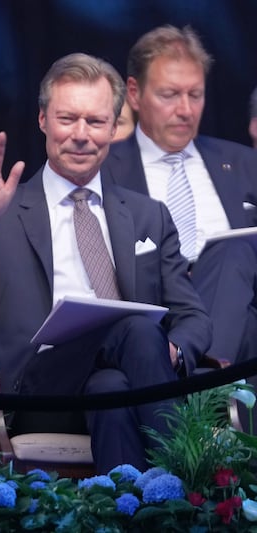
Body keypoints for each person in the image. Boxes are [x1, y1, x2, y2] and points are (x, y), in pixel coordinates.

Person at [0, 53, 211, 473]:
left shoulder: (148, 215)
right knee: (134, 326)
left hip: (125, 383)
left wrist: (168, 351)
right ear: (43, 119)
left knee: (113, 384)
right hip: (35, 390)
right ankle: (189, 472)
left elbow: (193, 317)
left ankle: (139, 502)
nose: (80, 135)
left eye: (95, 122)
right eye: (67, 119)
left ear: (113, 128)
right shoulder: (3, 211)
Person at [103, 25, 257, 363]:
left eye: (195, 95)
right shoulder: (103, 171)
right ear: (134, 93)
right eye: (170, 95)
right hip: (155, 318)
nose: (186, 110)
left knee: (233, 254)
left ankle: (198, 382)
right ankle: (209, 388)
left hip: (239, 298)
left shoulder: (245, 164)